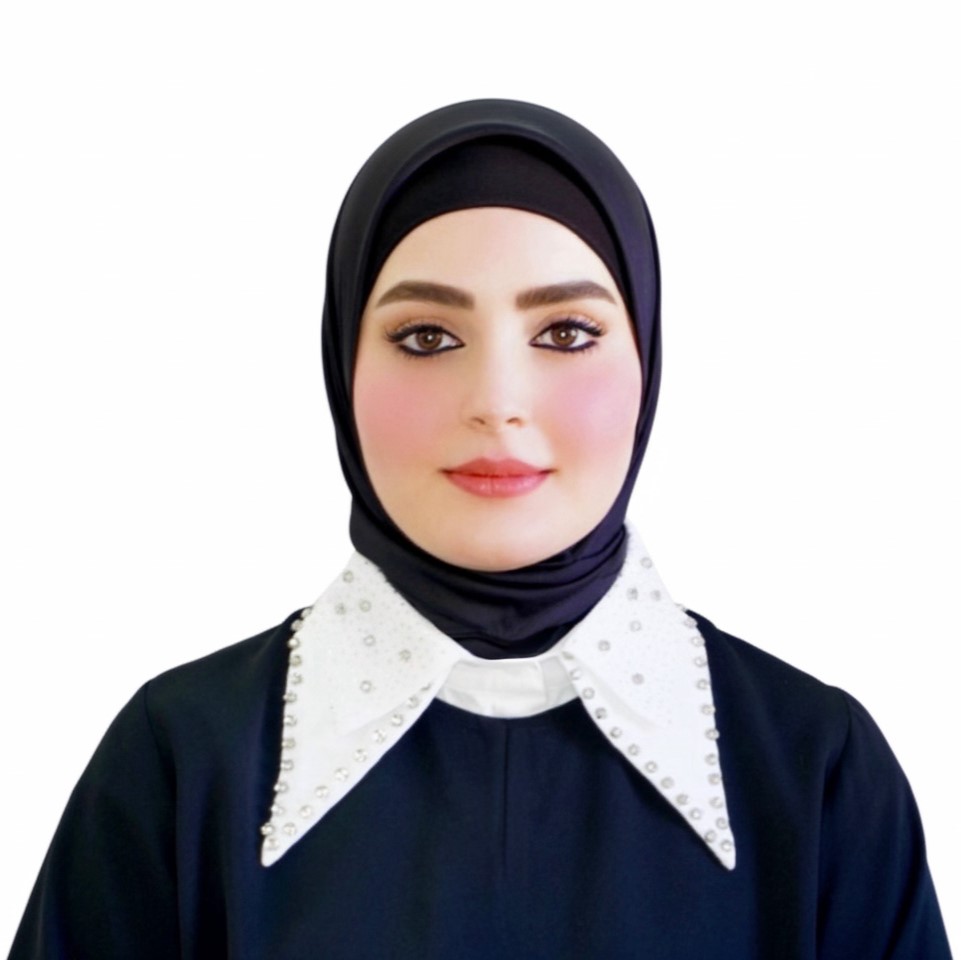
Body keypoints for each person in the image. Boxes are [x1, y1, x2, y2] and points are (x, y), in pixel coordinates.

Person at [8, 100, 951, 959]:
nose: (497, 402)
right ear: (342, 365)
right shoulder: (181, 760)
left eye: (566, 333)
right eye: (426, 337)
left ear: (647, 361)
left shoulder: (814, 767)